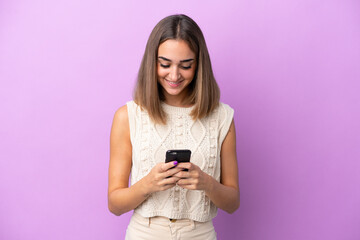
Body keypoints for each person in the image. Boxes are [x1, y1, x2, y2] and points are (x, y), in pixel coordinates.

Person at [108, 14, 239, 240]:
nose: (174, 75)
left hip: (200, 234)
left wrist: (206, 183)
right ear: (153, 62)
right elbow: (115, 204)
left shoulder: (222, 117)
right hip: (144, 233)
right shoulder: (128, 116)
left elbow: (233, 203)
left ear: (198, 65)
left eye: (186, 65)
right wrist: (147, 184)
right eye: (165, 64)